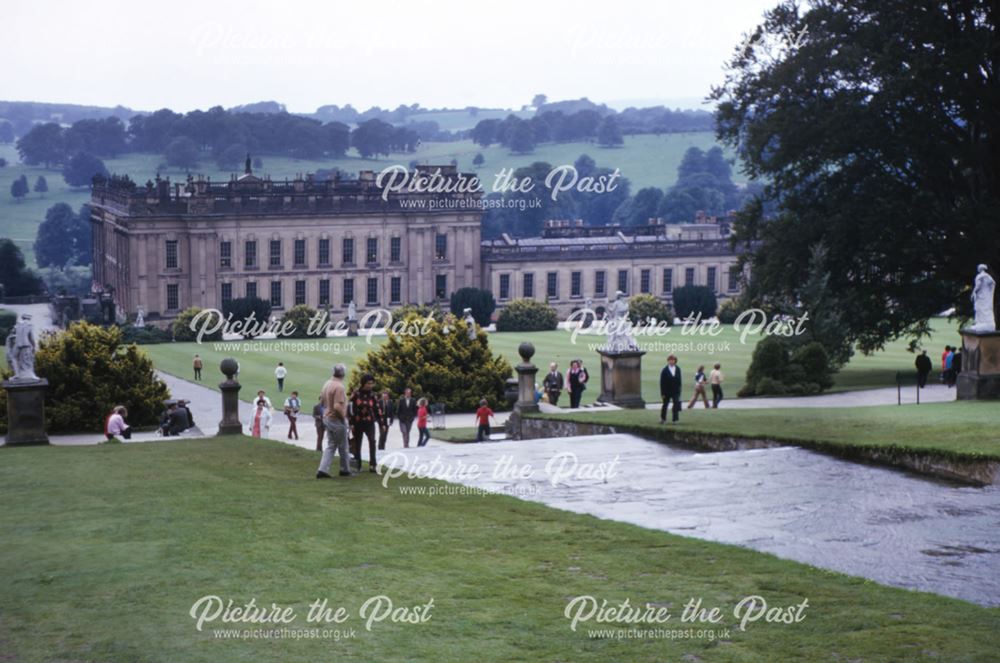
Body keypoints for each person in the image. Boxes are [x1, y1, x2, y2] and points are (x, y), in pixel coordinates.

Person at [317, 364, 354, 478]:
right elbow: (338, 407)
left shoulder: (327, 383)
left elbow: (322, 401)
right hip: (336, 419)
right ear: (343, 373)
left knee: (331, 445)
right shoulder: (339, 387)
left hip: (327, 418)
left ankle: (322, 470)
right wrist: (344, 418)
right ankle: (345, 469)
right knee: (343, 446)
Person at [349, 373, 379, 472]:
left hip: (370, 422)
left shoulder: (373, 395)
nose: (370, 385)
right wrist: (351, 423)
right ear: (363, 383)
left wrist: (381, 422)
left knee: (372, 441)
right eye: (368, 383)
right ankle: (358, 464)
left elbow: (376, 409)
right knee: (357, 443)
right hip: (358, 422)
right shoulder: (356, 394)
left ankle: (373, 464)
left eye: (372, 383)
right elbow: (350, 409)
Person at [659, 355, 682, 424]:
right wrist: (662, 393)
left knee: (676, 404)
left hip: (675, 391)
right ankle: (663, 419)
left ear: (675, 361)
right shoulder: (664, 370)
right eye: (670, 360)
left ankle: (675, 419)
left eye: (672, 360)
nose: (671, 361)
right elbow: (662, 382)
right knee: (665, 405)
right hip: (667, 391)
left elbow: (679, 380)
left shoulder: (678, 369)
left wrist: (679, 390)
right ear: (668, 361)